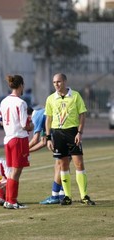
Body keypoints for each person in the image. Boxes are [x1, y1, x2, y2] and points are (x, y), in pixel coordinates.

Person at [45, 73, 95, 205]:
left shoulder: (76, 96)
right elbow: (48, 118)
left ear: (65, 82)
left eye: (59, 82)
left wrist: (79, 132)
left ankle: (84, 196)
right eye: (54, 82)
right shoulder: (50, 98)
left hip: (72, 132)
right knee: (63, 165)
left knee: (79, 163)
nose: (56, 84)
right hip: (57, 133)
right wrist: (48, 137)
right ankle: (67, 196)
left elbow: (82, 115)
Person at [0, 75, 33, 209]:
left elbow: (1, 121)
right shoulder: (21, 103)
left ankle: (9, 200)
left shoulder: (4, 101)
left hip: (8, 139)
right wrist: (33, 125)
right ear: (21, 85)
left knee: (13, 170)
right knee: (16, 171)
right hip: (19, 139)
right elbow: (25, 124)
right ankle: (12, 201)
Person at [28, 107, 65, 204]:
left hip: (62, 136)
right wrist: (27, 151)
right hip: (65, 134)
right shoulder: (42, 113)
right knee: (62, 165)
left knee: (59, 166)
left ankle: (55, 196)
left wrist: (21, 151)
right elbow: (43, 141)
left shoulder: (36, 117)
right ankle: (62, 194)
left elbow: (35, 139)